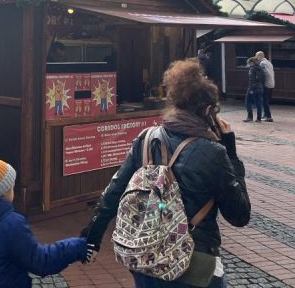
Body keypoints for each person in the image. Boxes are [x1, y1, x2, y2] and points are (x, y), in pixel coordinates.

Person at [80, 59, 250, 288]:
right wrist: (231, 152)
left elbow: (114, 192)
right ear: (209, 110)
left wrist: (92, 237)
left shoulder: (146, 138)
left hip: (146, 258)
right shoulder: (214, 153)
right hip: (194, 264)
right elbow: (239, 215)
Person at [0, 147, 88, 288]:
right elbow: (41, 262)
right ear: (5, 190)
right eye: (12, 186)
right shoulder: (11, 224)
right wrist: (79, 246)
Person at [255, 51, 274, 122]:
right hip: (272, 84)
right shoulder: (268, 62)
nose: (256, 58)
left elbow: (264, 74)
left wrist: (261, 83)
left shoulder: (262, 64)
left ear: (260, 56)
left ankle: (268, 116)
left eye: (256, 56)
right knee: (266, 100)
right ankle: (265, 114)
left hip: (267, 84)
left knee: (264, 101)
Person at [244, 57, 264, 122]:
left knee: (248, 101)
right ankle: (259, 118)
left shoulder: (252, 69)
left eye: (249, 63)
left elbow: (251, 80)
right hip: (260, 87)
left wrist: (251, 89)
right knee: (259, 103)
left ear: (252, 63)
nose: (248, 64)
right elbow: (263, 78)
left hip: (253, 88)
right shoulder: (260, 68)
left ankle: (250, 117)